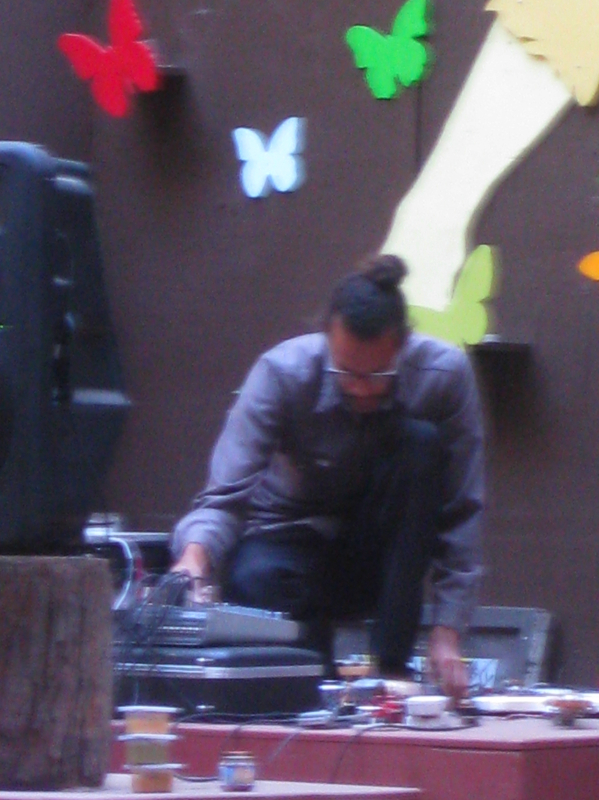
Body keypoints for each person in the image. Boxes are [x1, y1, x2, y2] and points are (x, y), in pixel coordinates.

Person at [171, 254, 484, 700]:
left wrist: (448, 630)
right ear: (326, 338)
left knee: (420, 443)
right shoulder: (281, 373)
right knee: (252, 575)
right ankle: (309, 683)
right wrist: (193, 561)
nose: (360, 388)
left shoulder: (444, 375)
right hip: (289, 546)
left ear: (402, 346)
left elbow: (462, 511)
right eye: (346, 373)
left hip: (383, 557)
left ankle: (391, 672)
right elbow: (225, 496)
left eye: (377, 375)